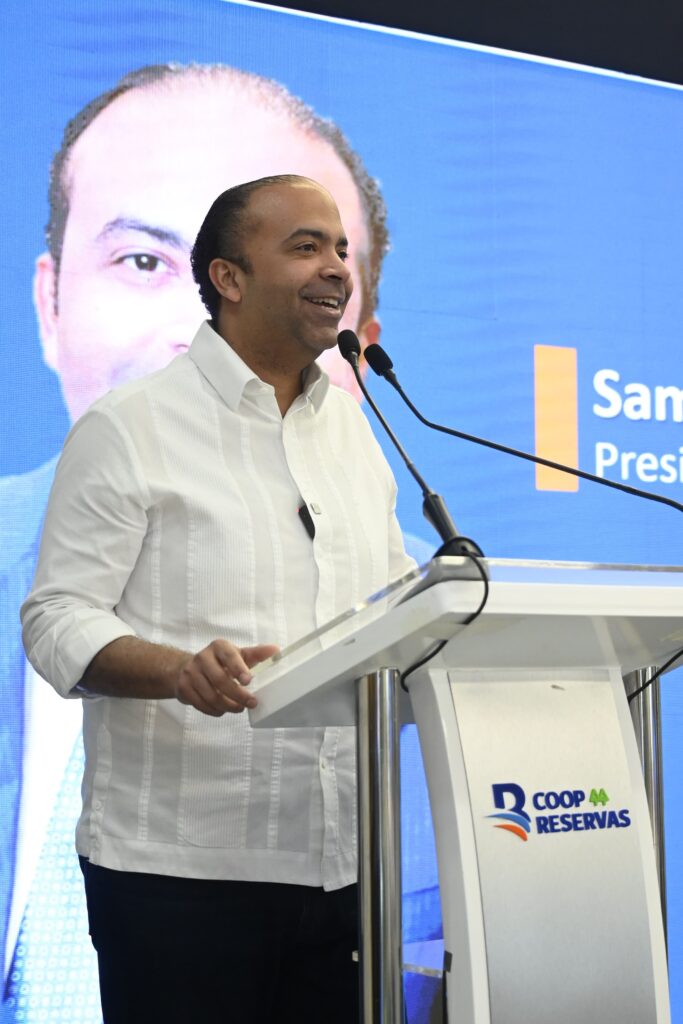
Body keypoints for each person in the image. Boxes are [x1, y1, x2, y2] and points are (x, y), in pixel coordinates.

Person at [1, 62, 436, 1024]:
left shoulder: (352, 432)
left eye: (340, 250)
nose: (333, 267)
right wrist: (176, 670)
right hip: (179, 877)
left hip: (339, 862)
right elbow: (55, 619)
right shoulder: (130, 426)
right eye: (303, 247)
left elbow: (390, 610)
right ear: (229, 279)